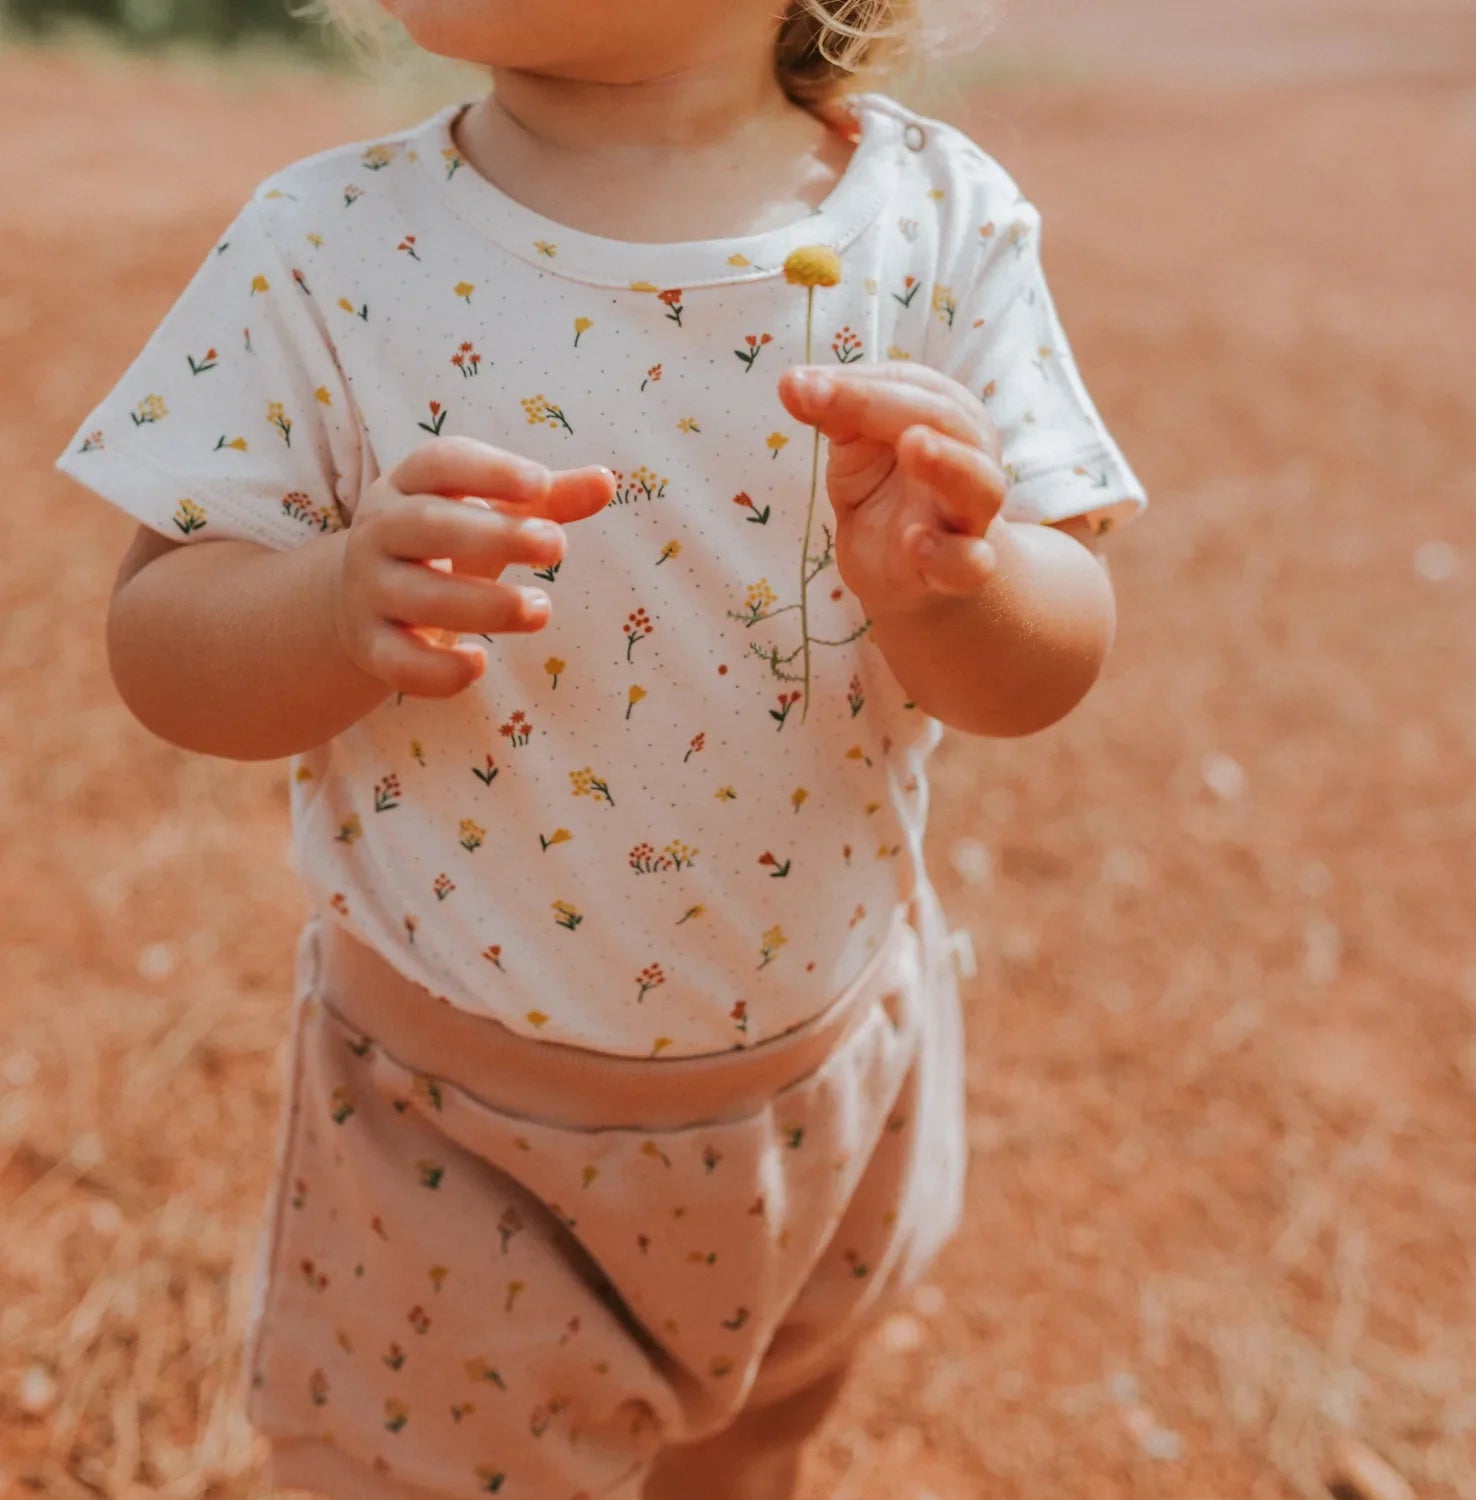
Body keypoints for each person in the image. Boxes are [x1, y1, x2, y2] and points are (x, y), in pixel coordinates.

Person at [55, 1, 1147, 1495]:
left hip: (826, 1097)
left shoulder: (936, 221)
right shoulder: (325, 245)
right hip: (454, 1141)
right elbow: (159, 643)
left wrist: (965, 586)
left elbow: (1056, 646)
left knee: (763, 1435)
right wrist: (324, 606)